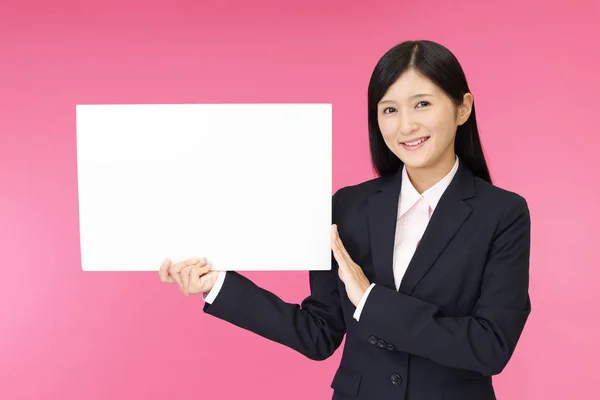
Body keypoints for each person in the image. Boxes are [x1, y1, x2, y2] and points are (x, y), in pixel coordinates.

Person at [159, 39, 531, 400]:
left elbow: (489, 346)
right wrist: (216, 284)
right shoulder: (348, 206)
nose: (406, 126)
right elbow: (318, 333)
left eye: (422, 104)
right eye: (389, 110)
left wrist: (370, 300)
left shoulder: (502, 214)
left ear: (462, 108)